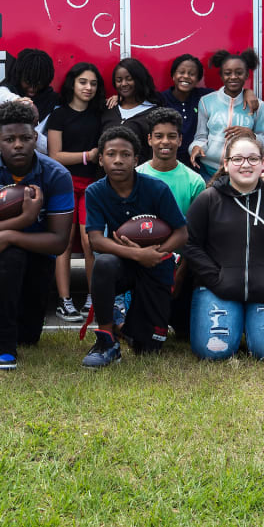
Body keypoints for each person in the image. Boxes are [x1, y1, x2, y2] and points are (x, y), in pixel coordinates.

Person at [0, 101, 74, 369]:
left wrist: (10, 235)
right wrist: (24, 219)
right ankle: (3, 344)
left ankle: (21, 328)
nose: (18, 145)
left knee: (29, 337)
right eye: (9, 139)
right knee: (10, 258)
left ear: (35, 138)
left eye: (25, 138)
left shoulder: (57, 174)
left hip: (39, 251)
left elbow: (59, 242)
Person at [183, 132, 264, 361]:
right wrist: (216, 279)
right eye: (237, 159)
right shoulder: (208, 200)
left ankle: (254, 325)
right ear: (226, 164)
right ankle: (234, 322)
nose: (246, 165)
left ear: (262, 163)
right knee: (213, 352)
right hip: (218, 289)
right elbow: (191, 245)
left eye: (253, 159)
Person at [81, 126, 188, 368]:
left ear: (136, 159)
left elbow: (182, 233)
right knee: (104, 263)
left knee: (147, 347)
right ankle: (106, 340)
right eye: (111, 154)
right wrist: (138, 254)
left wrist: (156, 254)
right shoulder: (95, 191)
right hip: (124, 263)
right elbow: (96, 240)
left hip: (156, 263)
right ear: (101, 159)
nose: (118, 160)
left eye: (125, 154)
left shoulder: (156, 188)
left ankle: (124, 325)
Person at [136, 107, 206, 339]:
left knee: (186, 334)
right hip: (143, 263)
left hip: (180, 265)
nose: (165, 142)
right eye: (159, 136)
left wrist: (181, 273)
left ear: (180, 140)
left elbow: (195, 236)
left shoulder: (194, 182)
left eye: (171, 136)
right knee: (144, 336)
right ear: (149, 139)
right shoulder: (135, 177)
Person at [45, 62, 105, 322]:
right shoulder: (59, 115)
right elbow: (54, 155)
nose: (88, 87)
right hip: (64, 184)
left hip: (92, 186)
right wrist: (87, 156)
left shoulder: (100, 114)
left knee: (90, 241)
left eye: (93, 83)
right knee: (64, 242)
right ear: (72, 83)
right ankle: (65, 300)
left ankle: (93, 298)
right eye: (83, 82)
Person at [160, 53, 261, 166]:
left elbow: (230, 93)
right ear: (173, 75)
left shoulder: (204, 97)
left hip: (196, 164)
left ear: (198, 79)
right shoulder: (160, 101)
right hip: (168, 162)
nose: (186, 76)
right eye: (181, 72)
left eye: (192, 74)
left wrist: (247, 92)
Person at [190, 49, 264, 179]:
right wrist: (196, 147)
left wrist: (252, 135)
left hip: (241, 170)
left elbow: (263, 142)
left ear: (246, 75)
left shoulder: (258, 105)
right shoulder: (206, 101)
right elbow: (201, 136)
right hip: (208, 170)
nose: (233, 77)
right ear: (221, 75)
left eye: (239, 73)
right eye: (227, 73)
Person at [0, 47, 57, 153]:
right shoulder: (6, 91)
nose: (32, 89)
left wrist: (30, 131)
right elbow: (1, 98)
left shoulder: (53, 102)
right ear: (19, 77)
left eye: (38, 84)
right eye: (28, 82)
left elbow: (48, 148)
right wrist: (24, 103)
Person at [100, 58, 160, 163]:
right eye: (119, 80)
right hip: (105, 172)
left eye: (129, 79)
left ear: (139, 79)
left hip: (138, 172)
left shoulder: (154, 114)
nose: (123, 84)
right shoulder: (109, 108)